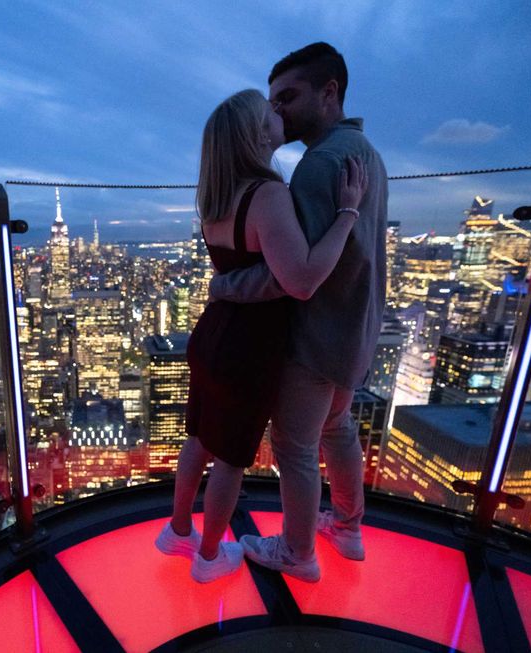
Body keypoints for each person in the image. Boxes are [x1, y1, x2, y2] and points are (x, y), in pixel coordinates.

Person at [154, 86, 368, 583]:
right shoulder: (267, 195)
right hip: (248, 346)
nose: (277, 114)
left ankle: (179, 531)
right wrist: (348, 213)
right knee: (229, 458)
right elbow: (303, 277)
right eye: (267, 111)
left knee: (199, 440)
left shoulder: (214, 199)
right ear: (255, 135)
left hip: (213, 335)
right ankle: (208, 558)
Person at [209, 43, 388, 582]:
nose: (277, 111)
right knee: (339, 432)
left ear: (329, 93)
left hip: (314, 338)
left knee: (296, 449)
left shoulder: (317, 167)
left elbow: (296, 277)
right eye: (272, 101)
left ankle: (297, 553)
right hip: (356, 330)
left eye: (288, 97)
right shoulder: (366, 152)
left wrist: (226, 285)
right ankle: (349, 529)